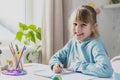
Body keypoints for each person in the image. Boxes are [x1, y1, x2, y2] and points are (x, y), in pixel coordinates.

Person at [49, 5, 113, 78]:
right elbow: (55, 58)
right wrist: (56, 65)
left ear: (94, 27)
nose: (77, 29)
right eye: (75, 24)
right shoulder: (72, 42)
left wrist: (78, 65)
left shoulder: (95, 45)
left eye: (83, 25)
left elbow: (106, 69)